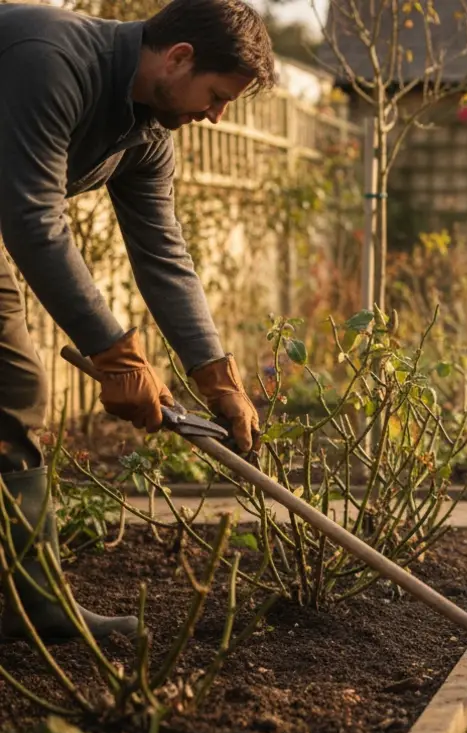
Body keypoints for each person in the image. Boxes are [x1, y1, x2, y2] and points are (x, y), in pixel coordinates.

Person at [0, 0, 271, 643]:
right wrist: (117, 354)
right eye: (216, 95)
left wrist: (216, 376)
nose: (215, 114)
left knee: (11, 392)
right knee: (19, 389)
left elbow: (162, 257)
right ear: (179, 58)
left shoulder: (144, 132)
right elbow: (34, 220)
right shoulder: (53, 59)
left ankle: (35, 605)